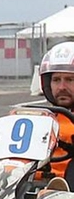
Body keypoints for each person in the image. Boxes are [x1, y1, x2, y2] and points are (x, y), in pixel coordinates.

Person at [36, 41, 74, 181]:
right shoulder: (39, 119)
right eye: (56, 80)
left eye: (70, 79)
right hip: (33, 188)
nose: (62, 87)